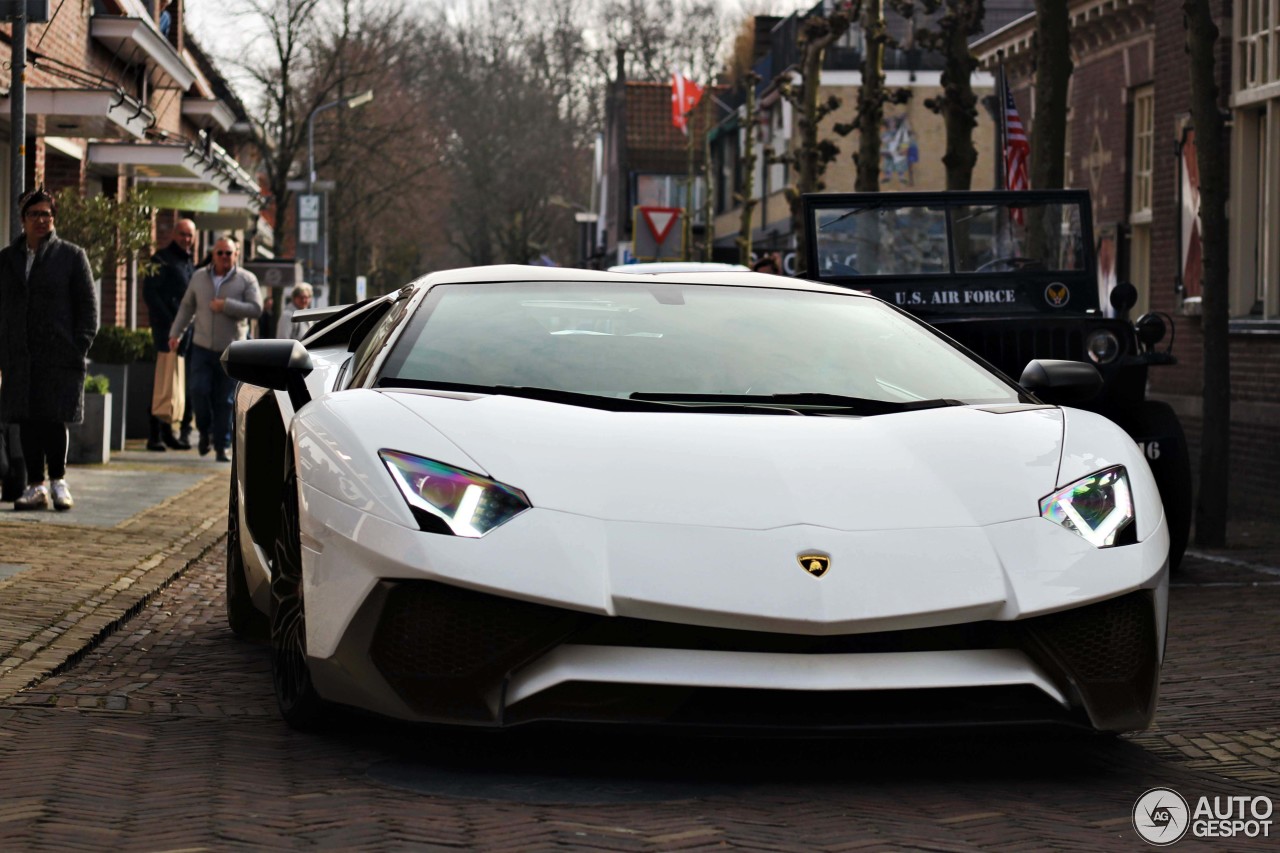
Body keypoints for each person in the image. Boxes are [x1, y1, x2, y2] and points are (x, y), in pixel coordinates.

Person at [0, 187, 99, 511]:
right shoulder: (8, 259)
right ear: (22, 219)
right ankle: (35, 485)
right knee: (27, 419)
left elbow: (88, 307)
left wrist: (77, 346)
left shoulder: (71, 256)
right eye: (34, 214)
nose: (41, 220)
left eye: (47, 214)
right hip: (20, 355)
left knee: (54, 419)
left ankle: (58, 481)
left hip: (59, 355)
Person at [168, 236, 262, 463]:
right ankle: (205, 431)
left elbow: (256, 308)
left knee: (225, 400)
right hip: (201, 346)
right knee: (198, 391)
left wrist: (226, 306)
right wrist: (175, 333)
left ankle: (222, 446)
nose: (224, 257)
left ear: (236, 255)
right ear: (213, 254)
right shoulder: (199, 277)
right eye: (220, 253)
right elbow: (187, 307)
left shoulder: (246, 279)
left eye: (228, 253)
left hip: (232, 350)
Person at [142, 218, 197, 451]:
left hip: (186, 332)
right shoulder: (162, 259)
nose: (186, 239)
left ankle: (168, 432)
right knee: (162, 384)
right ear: (174, 234)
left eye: (189, 235)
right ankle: (154, 435)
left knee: (174, 384)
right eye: (182, 234)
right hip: (168, 332)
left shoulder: (188, 262)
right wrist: (171, 326)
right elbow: (151, 294)